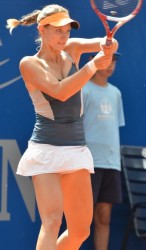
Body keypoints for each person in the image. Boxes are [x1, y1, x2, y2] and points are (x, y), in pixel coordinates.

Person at [6, 4, 118, 250]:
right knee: (53, 220)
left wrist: (109, 47)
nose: (64, 35)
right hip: (46, 150)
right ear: (41, 30)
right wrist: (92, 67)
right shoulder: (30, 64)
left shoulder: (73, 49)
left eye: (67, 30)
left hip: (75, 151)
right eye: (57, 30)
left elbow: (107, 42)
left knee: (79, 232)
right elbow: (61, 92)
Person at [82, 52, 125, 250]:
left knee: (104, 215)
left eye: (114, 61)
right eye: (107, 60)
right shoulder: (83, 89)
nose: (110, 65)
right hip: (88, 162)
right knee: (82, 219)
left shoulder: (115, 93)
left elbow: (113, 128)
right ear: (94, 62)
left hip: (111, 162)